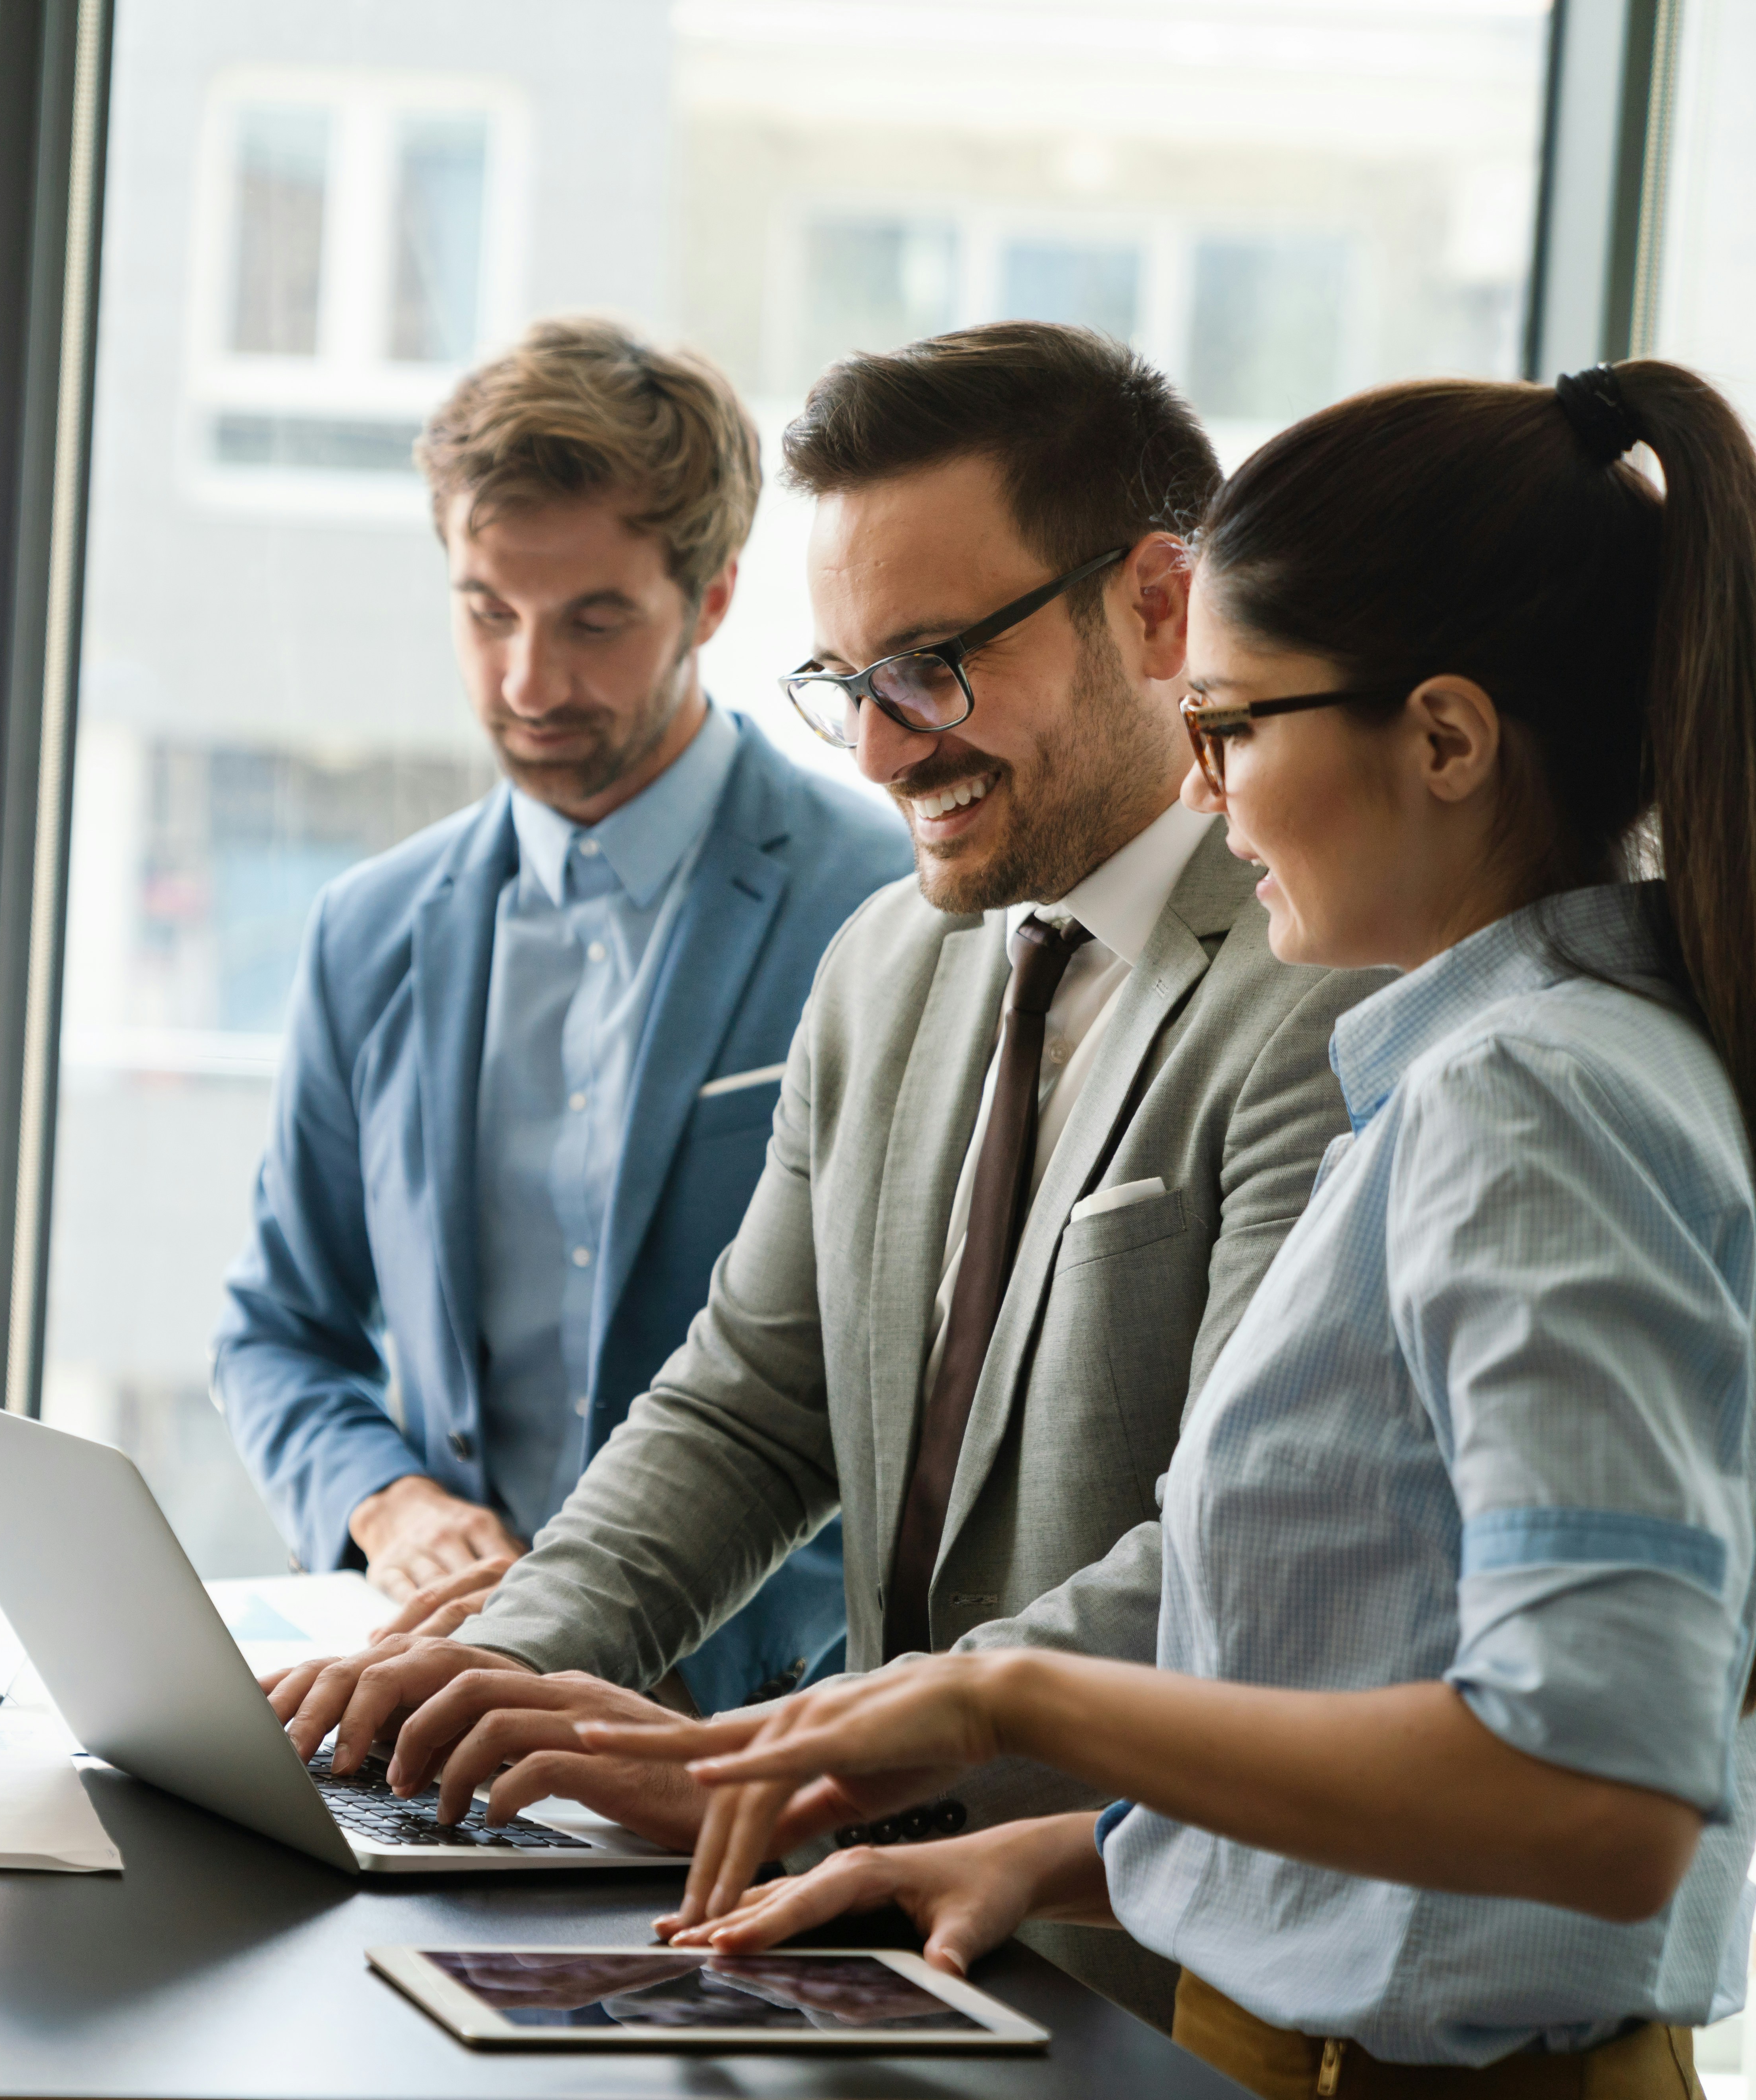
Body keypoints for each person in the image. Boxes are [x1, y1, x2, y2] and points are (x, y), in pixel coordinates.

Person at [594, 359, 1756, 2100]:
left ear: (1442, 739)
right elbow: (1375, 1669)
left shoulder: (1529, 1102)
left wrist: (1008, 1709)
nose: (1200, 793)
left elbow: (1595, 1798)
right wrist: (1071, 1853)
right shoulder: (1486, 1069)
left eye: (1228, 728)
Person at [264, 322, 1382, 2022]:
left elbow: (1231, 1563)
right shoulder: (887, 961)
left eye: (931, 665)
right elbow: (750, 1408)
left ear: (1158, 607)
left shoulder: (1326, 985)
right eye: (848, 680)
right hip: (872, 1940)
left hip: (1168, 1975)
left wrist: (785, 1761)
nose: (876, 752)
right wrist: (486, 1680)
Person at [213, 318, 907, 1710]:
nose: (529, 684)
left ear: (711, 600)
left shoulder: (888, 906)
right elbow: (280, 1331)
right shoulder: (371, 931)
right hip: (441, 1711)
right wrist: (388, 1500)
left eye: (594, 621)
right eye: (488, 612)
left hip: (769, 1725)